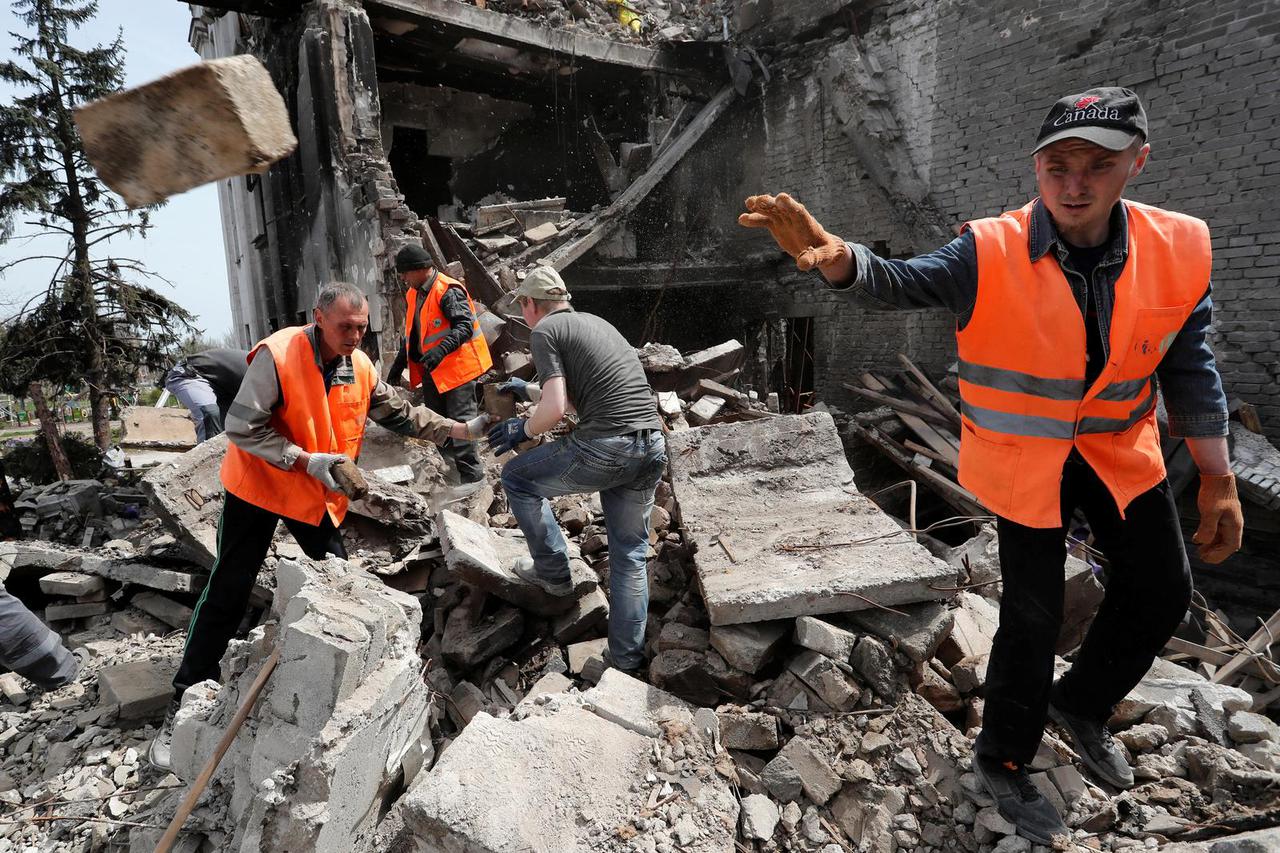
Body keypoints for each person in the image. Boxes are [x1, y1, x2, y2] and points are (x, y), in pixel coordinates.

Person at [739, 87, 1243, 845]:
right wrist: (843, 261)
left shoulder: (1178, 248)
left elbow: (1189, 365)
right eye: (1057, 166)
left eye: (1096, 166)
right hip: (1026, 459)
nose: (1074, 184)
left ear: (1136, 163)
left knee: (1163, 591)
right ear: (1037, 168)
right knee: (1032, 617)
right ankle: (1003, 756)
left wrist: (1218, 474)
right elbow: (904, 280)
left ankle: (1081, 703)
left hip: (1115, 450)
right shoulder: (992, 247)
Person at [148, 282, 488, 769]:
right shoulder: (280, 353)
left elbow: (402, 414)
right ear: (319, 317)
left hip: (311, 494)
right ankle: (185, 697)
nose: (355, 335)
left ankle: (354, 688)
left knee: (341, 583)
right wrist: (302, 459)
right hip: (260, 484)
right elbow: (242, 427)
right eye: (345, 326)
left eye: (361, 326)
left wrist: (460, 429)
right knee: (230, 585)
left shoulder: (362, 366)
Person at [487, 266, 666, 674]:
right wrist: (527, 390)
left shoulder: (545, 332)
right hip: (650, 445)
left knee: (517, 478)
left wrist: (522, 429)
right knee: (630, 555)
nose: (525, 315)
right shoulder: (597, 324)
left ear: (532, 304)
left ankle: (553, 576)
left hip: (608, 446)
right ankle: (624, 661)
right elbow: (573, 398)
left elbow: (552, 411)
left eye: (524, 307)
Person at [387, 245, 492, 498]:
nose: (403, 279)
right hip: (434, 370)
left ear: (421, 269)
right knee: (437, 421)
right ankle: (450, 473)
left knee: (461, 420)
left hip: (458, 368)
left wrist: (439, 351)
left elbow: (464, 326)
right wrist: (399, 364)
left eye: (405, 273)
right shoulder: (415, 293)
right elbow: (413, 335)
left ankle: (472, 477)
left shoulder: (448, 290)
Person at [163, 347, 249, 442]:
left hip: (222, 386)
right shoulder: (259, 374)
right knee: (209, 413)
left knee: (234, 423)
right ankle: (208, 455)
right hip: (190, 374)